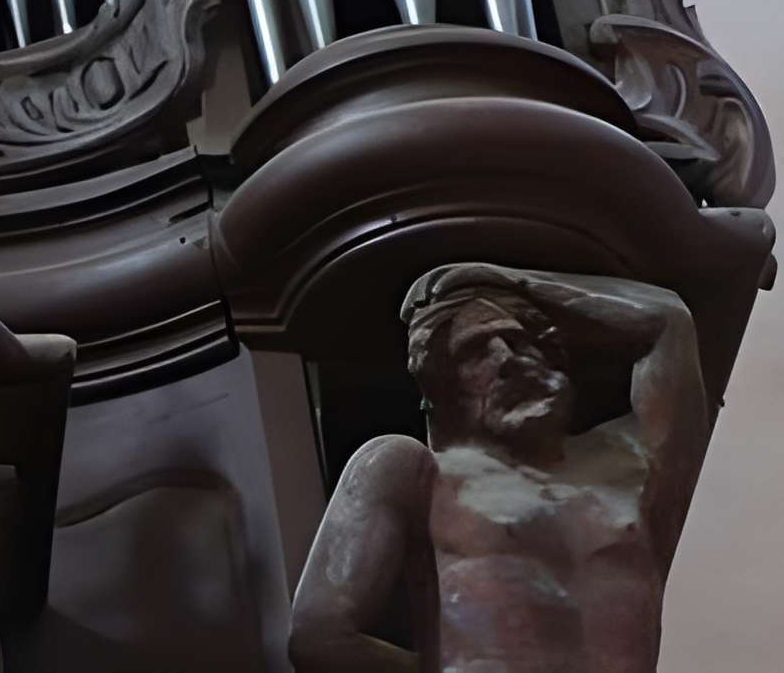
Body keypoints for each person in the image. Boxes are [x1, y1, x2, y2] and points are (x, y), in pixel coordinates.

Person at [291, 263, 709, 673]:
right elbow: (319, 636)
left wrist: (506, 280)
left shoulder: (633, 468)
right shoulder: (416, 473)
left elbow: (669, 323)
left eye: (519, 340)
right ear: (441, 389)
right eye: (475, 352)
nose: (506, 358)